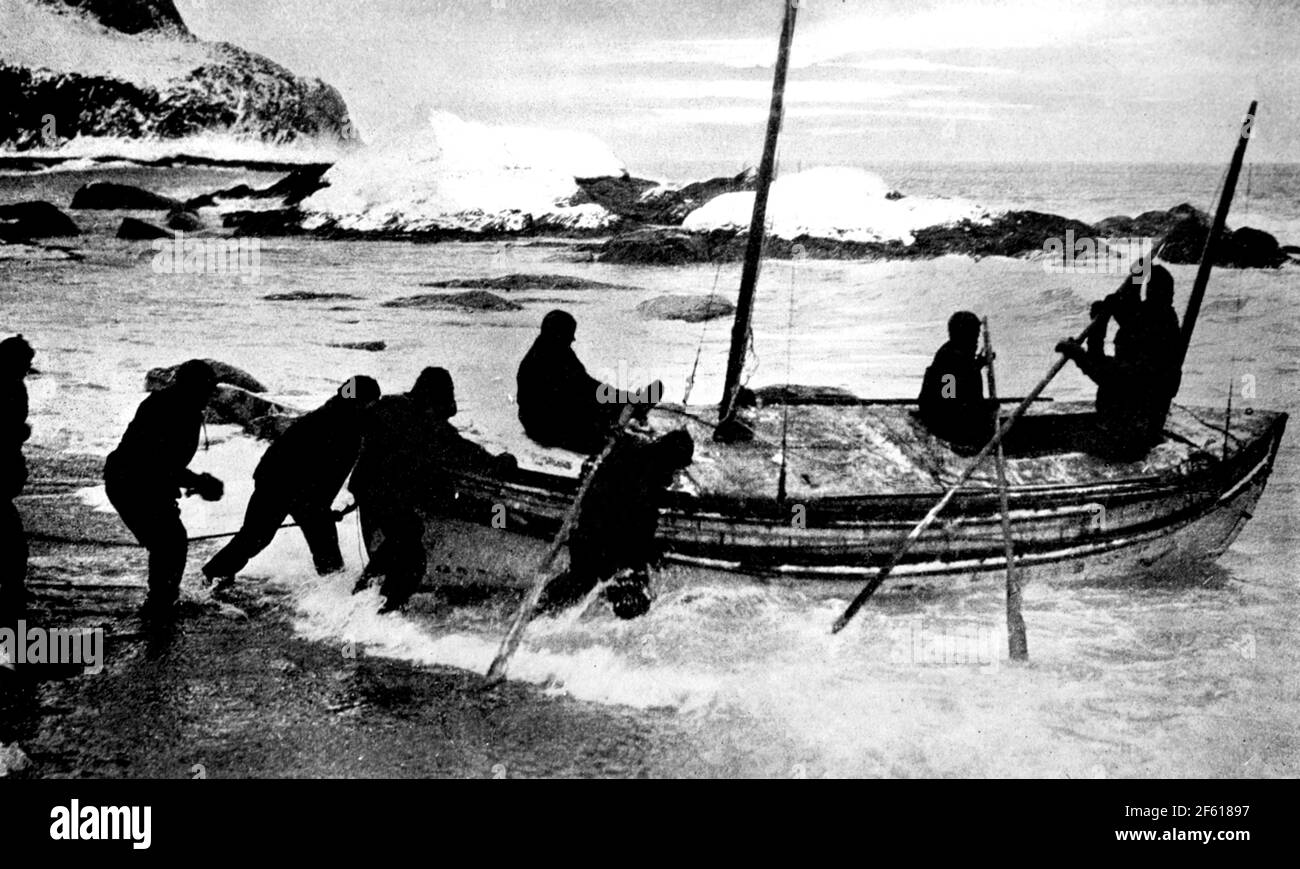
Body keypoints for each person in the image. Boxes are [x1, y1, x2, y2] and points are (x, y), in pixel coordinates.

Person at [350, 367, 515, 613]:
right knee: (413, 559)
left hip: (368, 490)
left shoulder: (389, 406)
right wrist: (501, 462)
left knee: (403, 536)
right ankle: (385, 613)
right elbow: (462, 451)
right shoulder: (427, 423)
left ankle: (361, 594)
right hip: (391, 495)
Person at [201, 376, 381, 592]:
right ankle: (214, 574)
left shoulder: (341, 416)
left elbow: (328, 473)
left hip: (290, 484)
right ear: (360, 401)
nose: (374, 407)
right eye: (371, 401)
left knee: (262, 538)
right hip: (280, 484)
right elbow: (325, 471)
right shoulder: (340, 423)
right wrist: (321, 507)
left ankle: (216, 573)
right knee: (259, 537)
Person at [105, 359, 224, 622]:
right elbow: (155, 462)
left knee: (169, 541)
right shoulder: (163, 408)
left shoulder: (187, 409)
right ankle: (160, 605)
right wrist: (200, 481)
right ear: (190, 387)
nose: (209, 396)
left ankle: (162, 599)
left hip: (148, 482)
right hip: (128, 481)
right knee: (169, 541)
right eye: (206, 389)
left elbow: (165, 466)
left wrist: (195, 482)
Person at [535, 428, 694, 620]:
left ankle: (540, 611)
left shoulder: (635, 454)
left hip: (602, 535)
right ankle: (541, 614)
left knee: (583, 581)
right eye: (675, 467)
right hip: (603, 538)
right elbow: (636, 507)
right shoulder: (641, 468)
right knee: (590, 582)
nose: (674, 475)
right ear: (667, 458)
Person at [1056, 268, 1178, 461]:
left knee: (1069, 441)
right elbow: (1130, 308)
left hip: (1130, 436)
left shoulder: (1155, 333)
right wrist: (1100, 325)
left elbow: (1107, 376)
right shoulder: (1156, 320)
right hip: (1121, 424)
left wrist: (1077, 353)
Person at [516, 309, 661, 454]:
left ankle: (628, 411)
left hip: (554, 414)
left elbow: (584, 384)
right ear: (558, 334)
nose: (573, 339)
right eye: (569, 334)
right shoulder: (542, 361)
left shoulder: (558, 350)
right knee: (600, 427)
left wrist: (621, 397)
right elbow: (581, 390)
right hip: (543, 424)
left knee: (598, 406)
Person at [917, 311, 996, 453]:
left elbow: (963, 374)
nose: (977, 341)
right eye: (974, 336)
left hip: (947, 414)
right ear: (964, 335)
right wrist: (983, 407)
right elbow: (949, 399)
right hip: (945, 421)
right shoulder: (950, 358)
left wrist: (979, 363)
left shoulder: (957, 353)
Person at [0, 335, 35, 626]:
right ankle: (12, 593)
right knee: (12, 545)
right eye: (24, 364)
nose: (26, 370)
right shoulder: (12, 387)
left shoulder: (13, 385)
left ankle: (12, 590)